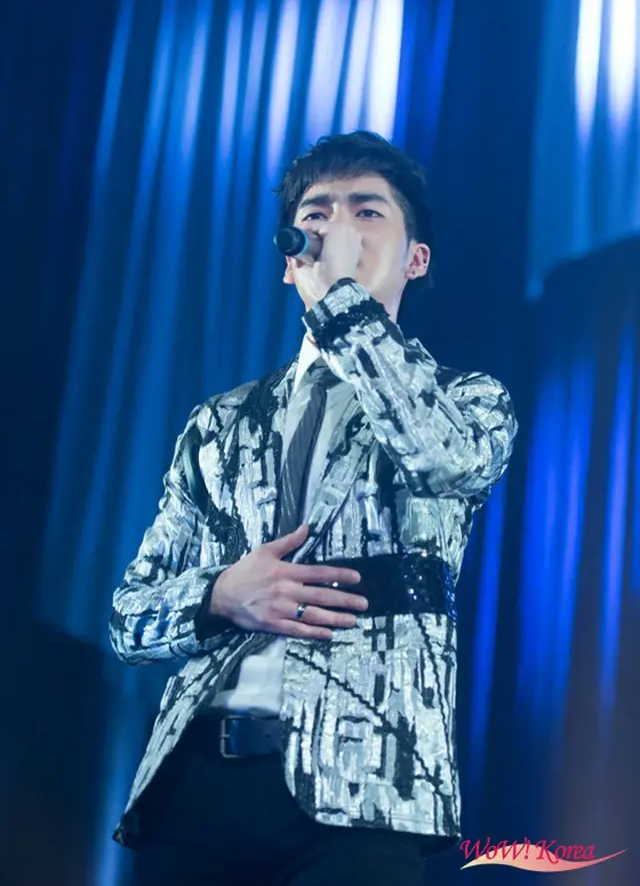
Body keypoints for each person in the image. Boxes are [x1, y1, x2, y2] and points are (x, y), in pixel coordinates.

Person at [109, 131, 518, 886]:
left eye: (367, 212)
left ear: (416, 258)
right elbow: (128, 617)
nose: (337, 229)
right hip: (198, 782)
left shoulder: (468, 399)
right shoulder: (220, 423)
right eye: (317, 213)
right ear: (290, 256)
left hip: (367, 790)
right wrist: (218, 593)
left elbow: (442, 459)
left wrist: (343, 305)